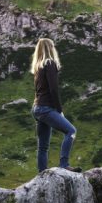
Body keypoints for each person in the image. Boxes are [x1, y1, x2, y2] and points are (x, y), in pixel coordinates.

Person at [30, 38, 81, 173]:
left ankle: (42, 173)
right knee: (71, 131)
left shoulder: (38, 66)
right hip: (46, 108)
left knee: (43, 146)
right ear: (50, 48)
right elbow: (53, 89)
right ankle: (64, 164)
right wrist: (59, 110)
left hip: (37, 108)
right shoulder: (50, 63)